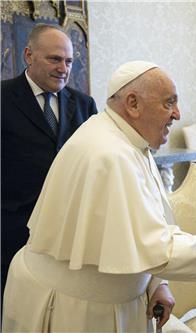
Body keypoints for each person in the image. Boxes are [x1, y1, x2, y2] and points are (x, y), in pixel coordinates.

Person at [1, 60, 196, 332]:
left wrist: (157, 283)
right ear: (132, 104)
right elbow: (156, 247)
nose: (178, 114)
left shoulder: (128, 141)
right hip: (75, 310)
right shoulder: (109, 154)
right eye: (169, 102)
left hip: (114, 303)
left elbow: (141, 230)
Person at [1, 23, 98, 298]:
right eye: (54, 59)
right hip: (12, 229)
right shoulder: (3, 98)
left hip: (68, 229)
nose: (63, 68)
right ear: (29, 56)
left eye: (68, 61)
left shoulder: (84, 104)